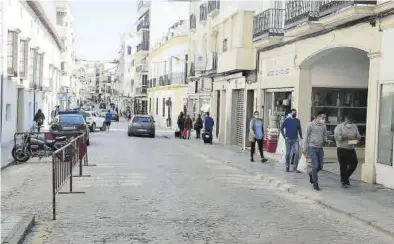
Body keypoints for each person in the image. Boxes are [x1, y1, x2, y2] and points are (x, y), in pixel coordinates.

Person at [303, 111, 327, 191]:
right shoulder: (310, 125)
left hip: (320, 148)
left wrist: (326, 140)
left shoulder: (323, 125)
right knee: (315, 165)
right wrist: (304, 148)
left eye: (324, 118)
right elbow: (306, 137)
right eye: (322, 117)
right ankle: (315, 183)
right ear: (318, 117)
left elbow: (324, 135)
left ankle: (311, 173)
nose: (324, 119)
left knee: (320, 166)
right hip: (312, 147)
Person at [334, 115, 361, 188]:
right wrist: (345, 136)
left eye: (351, 122)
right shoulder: (339, 127)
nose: (350, 123)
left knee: (354, 163)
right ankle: (344, 181)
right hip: (342, 148)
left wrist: (356, 140)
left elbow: (358, 137)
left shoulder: (354, 126)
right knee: (343, 165)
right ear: (345, 120)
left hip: (351, 147)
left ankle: (345, 177)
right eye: (348, 121)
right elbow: (337, 138)